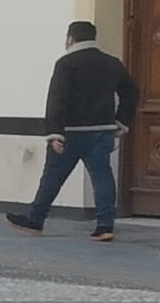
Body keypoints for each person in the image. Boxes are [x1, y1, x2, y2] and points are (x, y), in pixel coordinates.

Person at [11, 21, 136, 238]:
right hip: (102, 131)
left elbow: (57, 100)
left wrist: (54, 132)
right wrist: (120, 121)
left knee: (53, 177)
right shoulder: (112, 63)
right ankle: (105, 226)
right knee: (103, 177)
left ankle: (35, 219)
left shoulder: (66, 64)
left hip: (70, 133)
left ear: (70, 38)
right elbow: (132, 92)